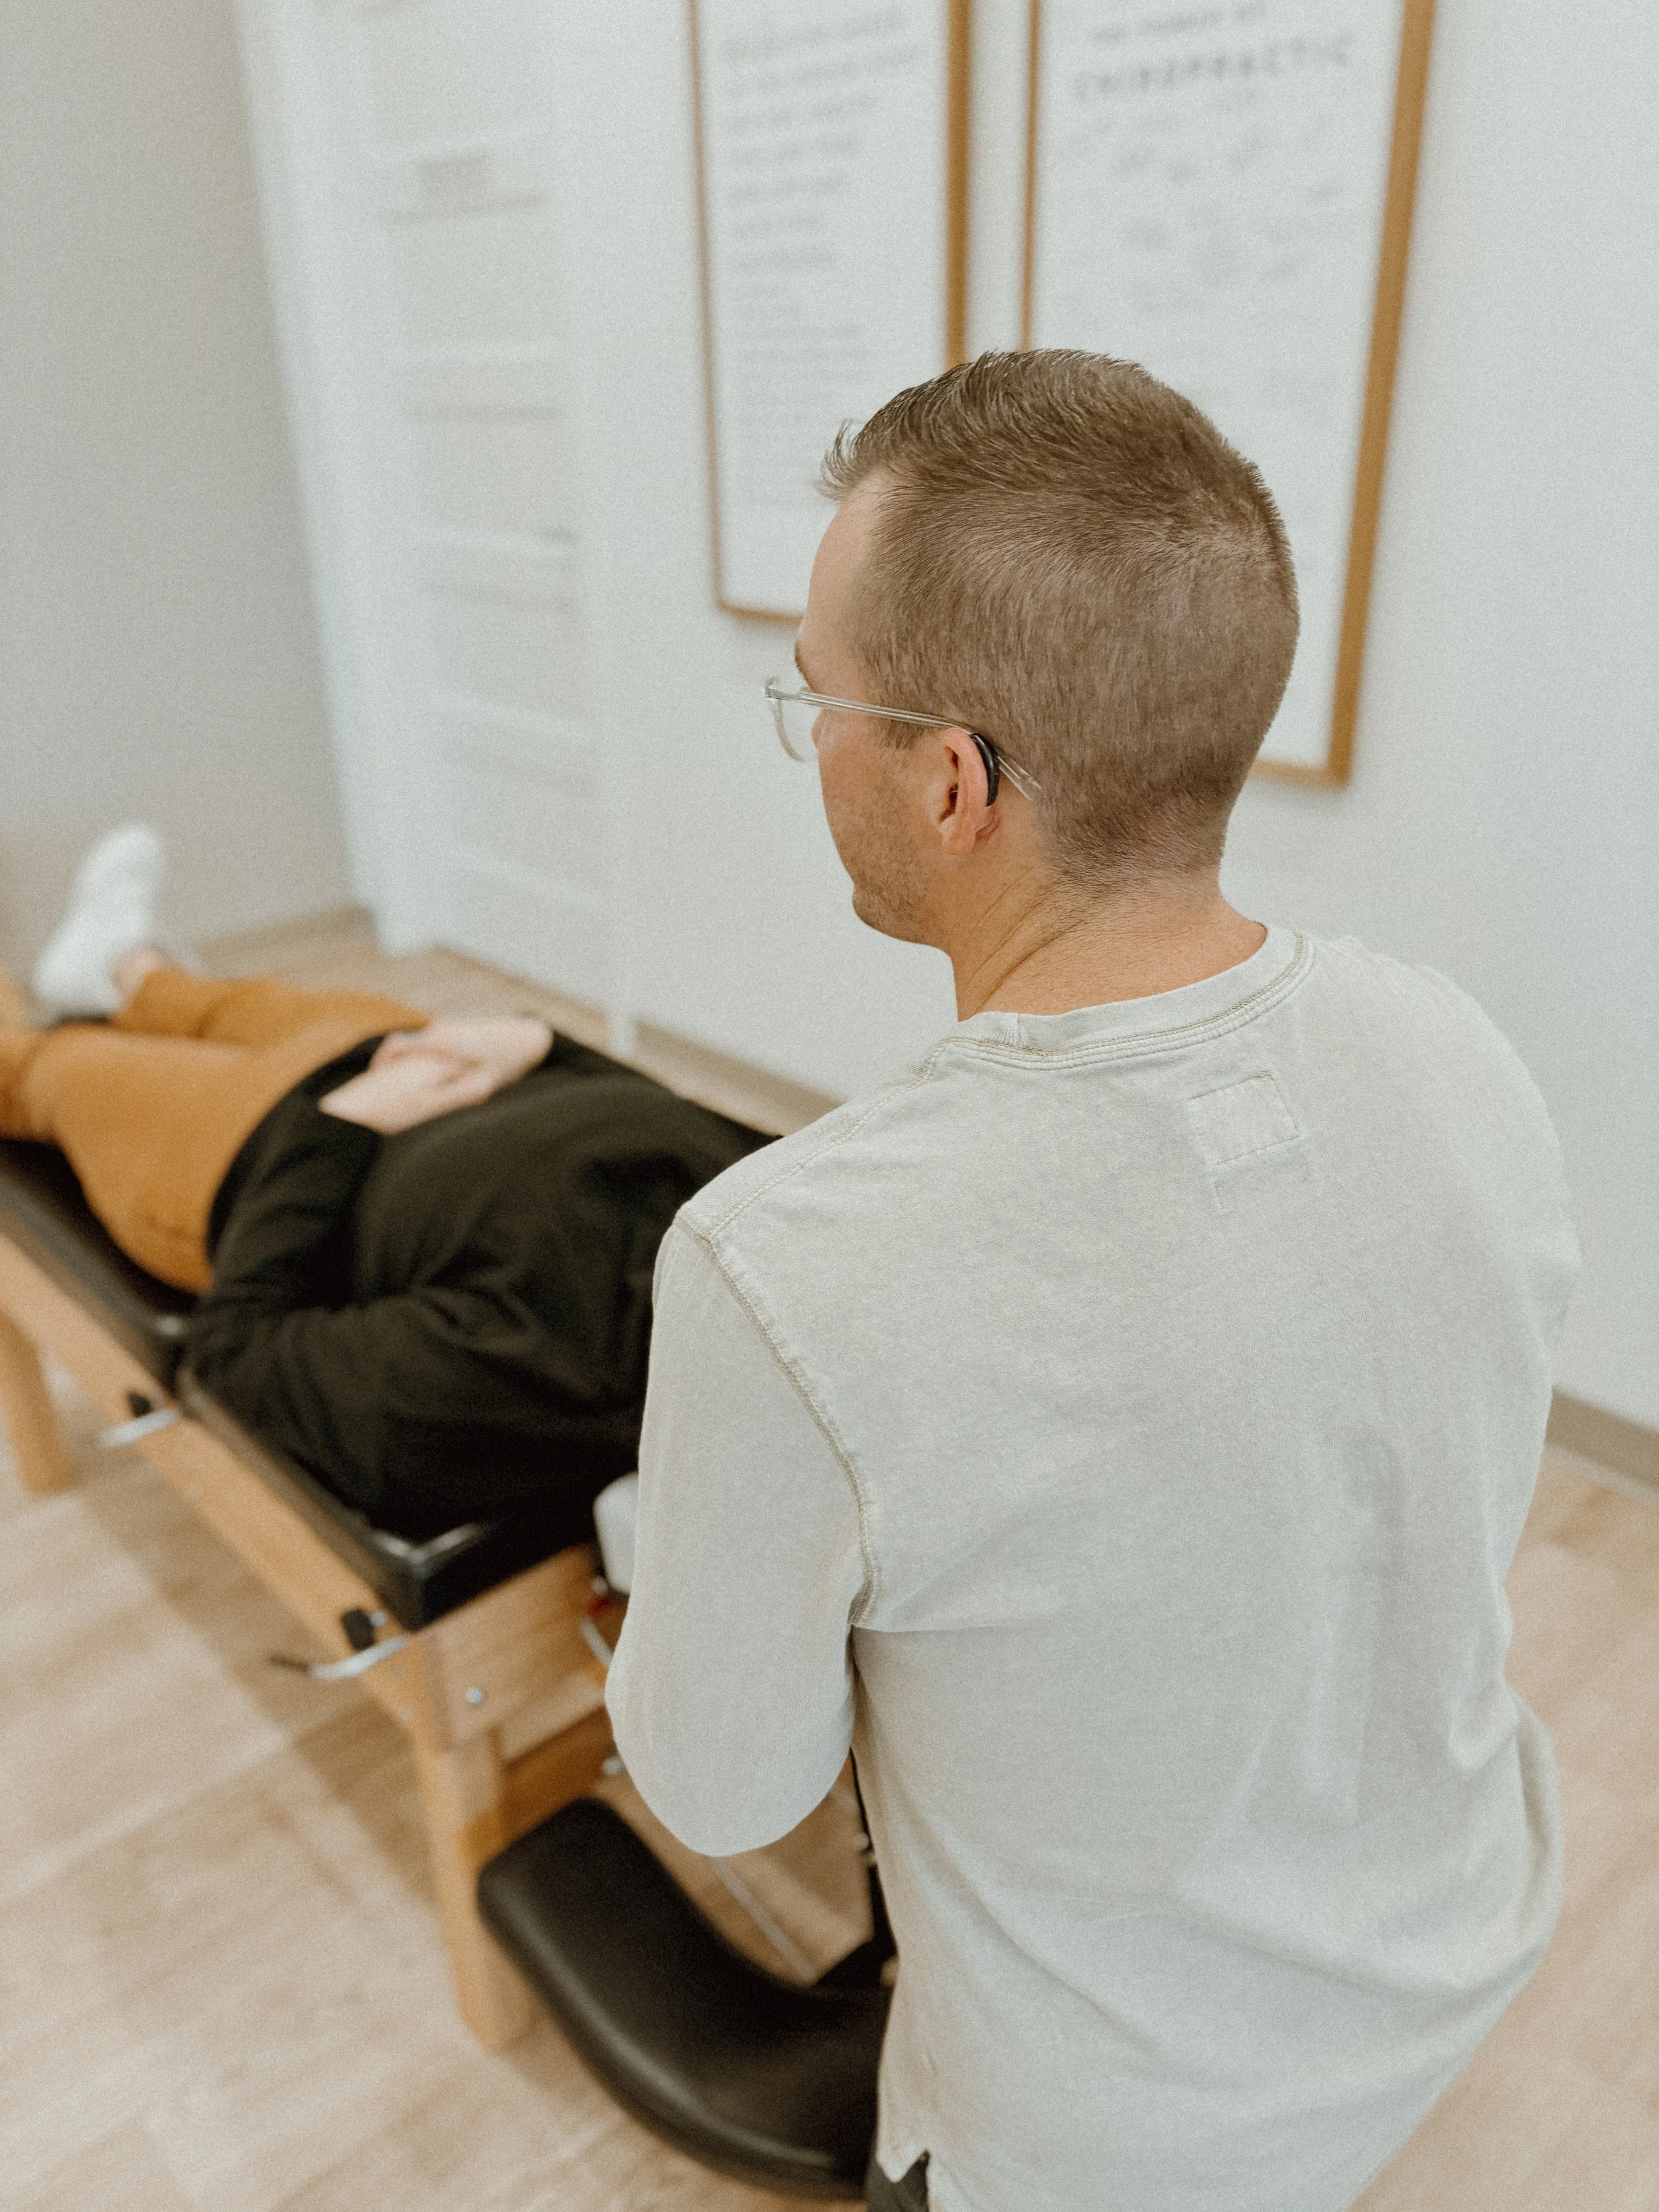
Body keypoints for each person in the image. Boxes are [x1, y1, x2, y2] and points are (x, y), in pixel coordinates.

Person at [605, 352, 1580, 2212]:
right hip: (1453, 1958)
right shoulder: (1455, 1044)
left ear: (953, 781)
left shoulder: (782, 1257)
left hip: (1091, 2151)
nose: (808, 726)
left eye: (817, 691)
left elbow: (724, 1794)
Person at [2, 827, 766, 1538]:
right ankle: (124, 970)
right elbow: (669, 1116)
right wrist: (542, 1045)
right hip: (418, 1060)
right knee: (213, 1002)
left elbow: (236, 1353)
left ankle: (86, 998)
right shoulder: (786, 1211)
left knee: (41, 1066)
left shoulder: (539, 1378)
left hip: (244, 1155)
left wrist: (340, 1127)